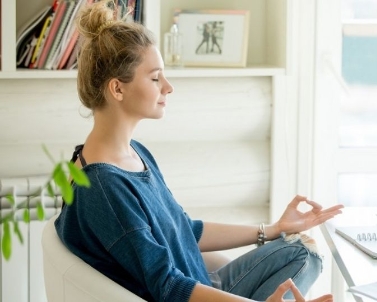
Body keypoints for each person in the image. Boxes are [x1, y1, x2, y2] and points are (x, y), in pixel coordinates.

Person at [54, 1, 344, 302]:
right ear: (117, 89)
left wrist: (274, 229)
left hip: (205, 282)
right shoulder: (104, 188)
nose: (168, 87)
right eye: (155, 78)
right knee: (306, 257)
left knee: (302, 251)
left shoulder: (132, 153)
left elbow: (186, 231)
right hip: (188, 295)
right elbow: (166, 286)